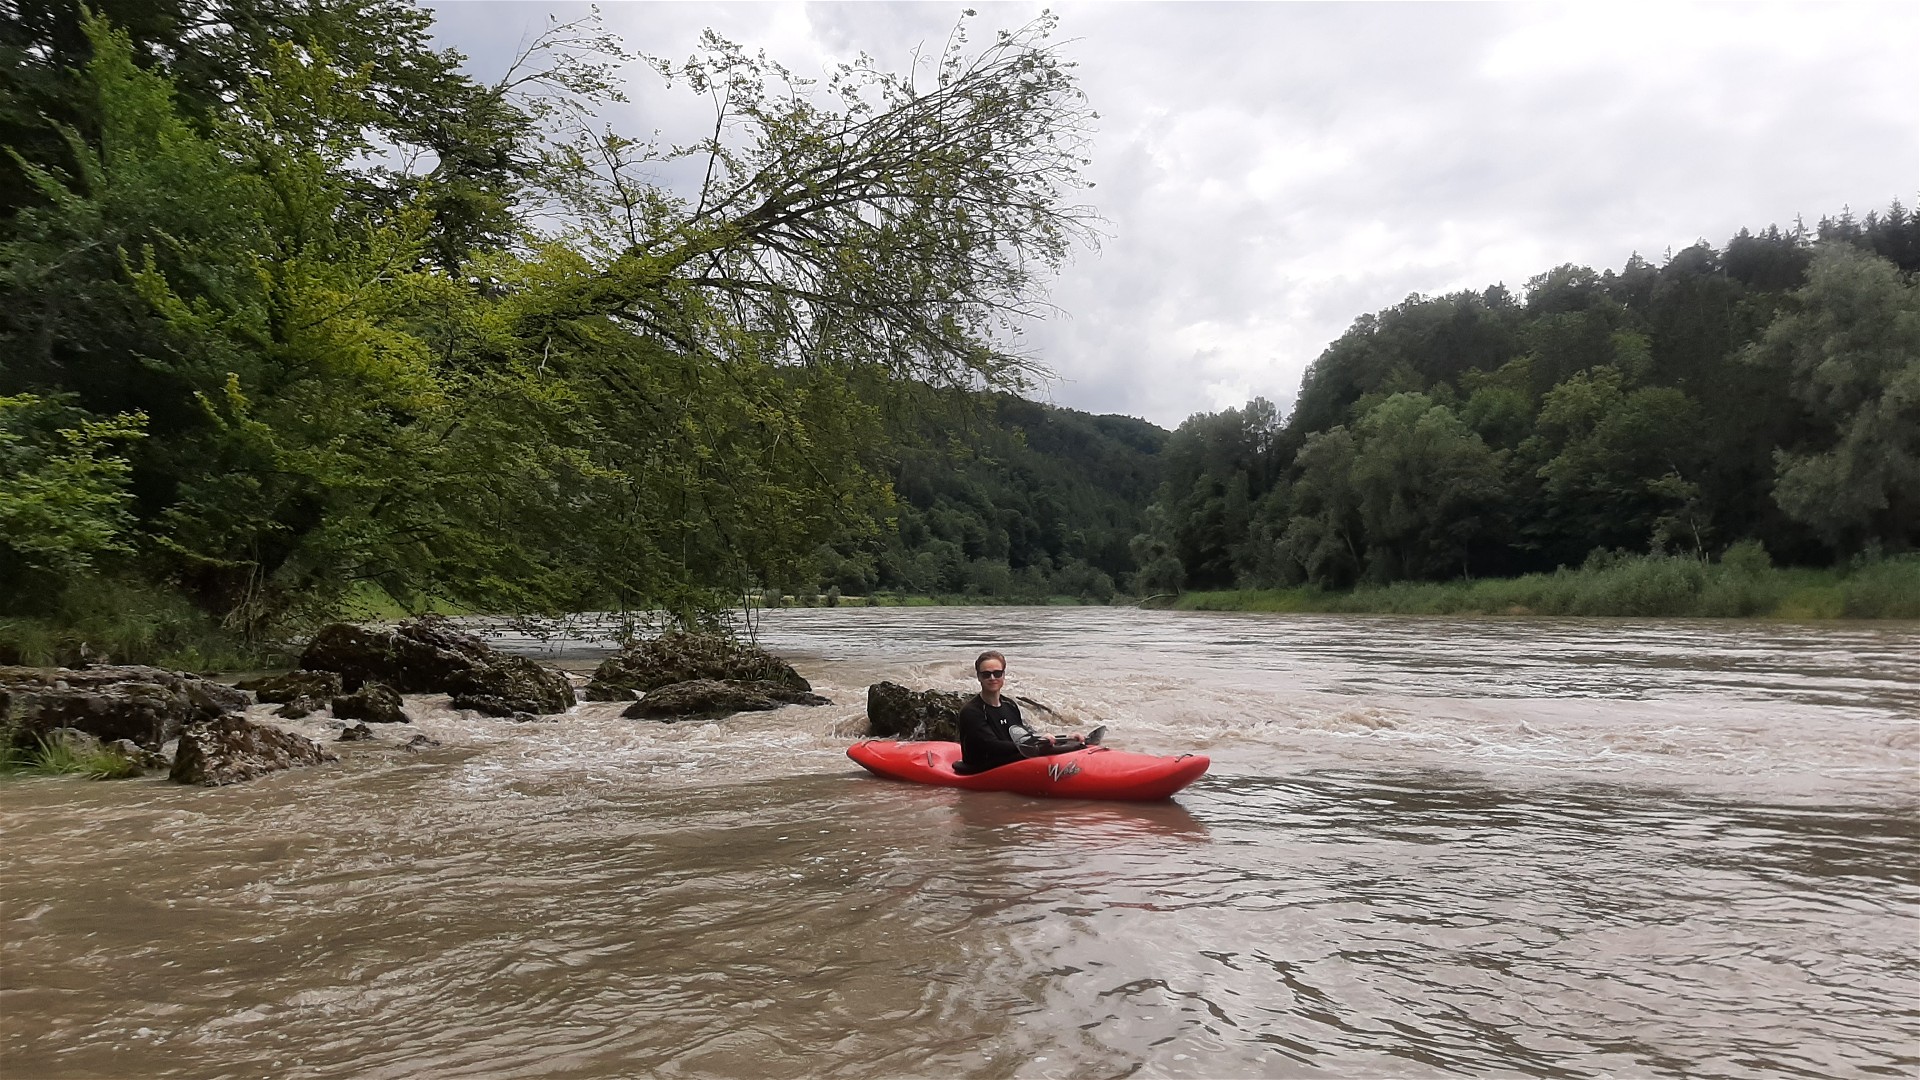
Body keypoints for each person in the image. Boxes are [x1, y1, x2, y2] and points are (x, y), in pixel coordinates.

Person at [954, 650, 1097, 774]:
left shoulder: (1009, 705)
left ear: (1003, 675)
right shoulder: (971, 711)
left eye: (997, 673)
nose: (992, 678)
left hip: (1005, 758)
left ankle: (1081, 744)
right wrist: (1038, 743)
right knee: (1044, 749)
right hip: (983, 766)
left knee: (1063, 745)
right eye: (986, 674)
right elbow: (991, 746)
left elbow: (1023, 736)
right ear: (979, 677)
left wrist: (1066, 738)